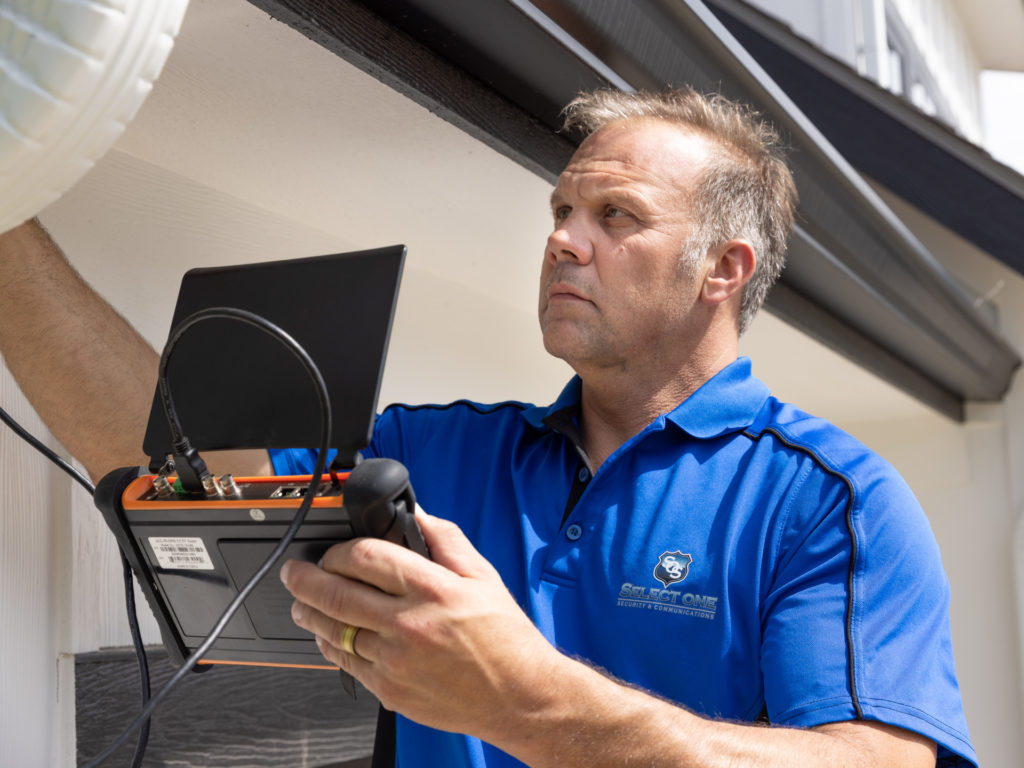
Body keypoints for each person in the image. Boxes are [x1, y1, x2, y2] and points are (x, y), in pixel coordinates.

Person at [0, 88, 973, 767]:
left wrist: (523, 698)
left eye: (615, 214)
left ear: (722, 269)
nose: (561, 236)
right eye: (561, 207)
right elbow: (176, 471)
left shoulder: (827, 501)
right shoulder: (431, 455)